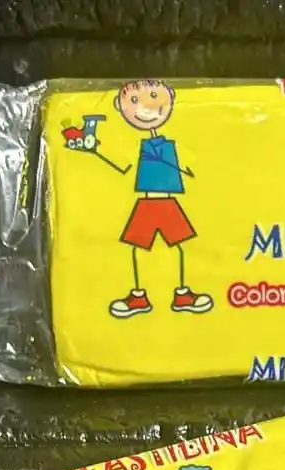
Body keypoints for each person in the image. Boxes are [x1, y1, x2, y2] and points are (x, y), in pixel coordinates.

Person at [86, 79, 214, 319]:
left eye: (154, 96)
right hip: (146, 204)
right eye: (134, 100)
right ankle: (138, 296)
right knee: (138, 249)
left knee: (177, 247)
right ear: (119, 106)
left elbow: (191, 171)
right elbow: (124, 168)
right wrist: (96, 151)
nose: (146, 108)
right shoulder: (134, 146)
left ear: (171, 96)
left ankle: (182, 294)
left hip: (167, 202)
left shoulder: (170, 144)